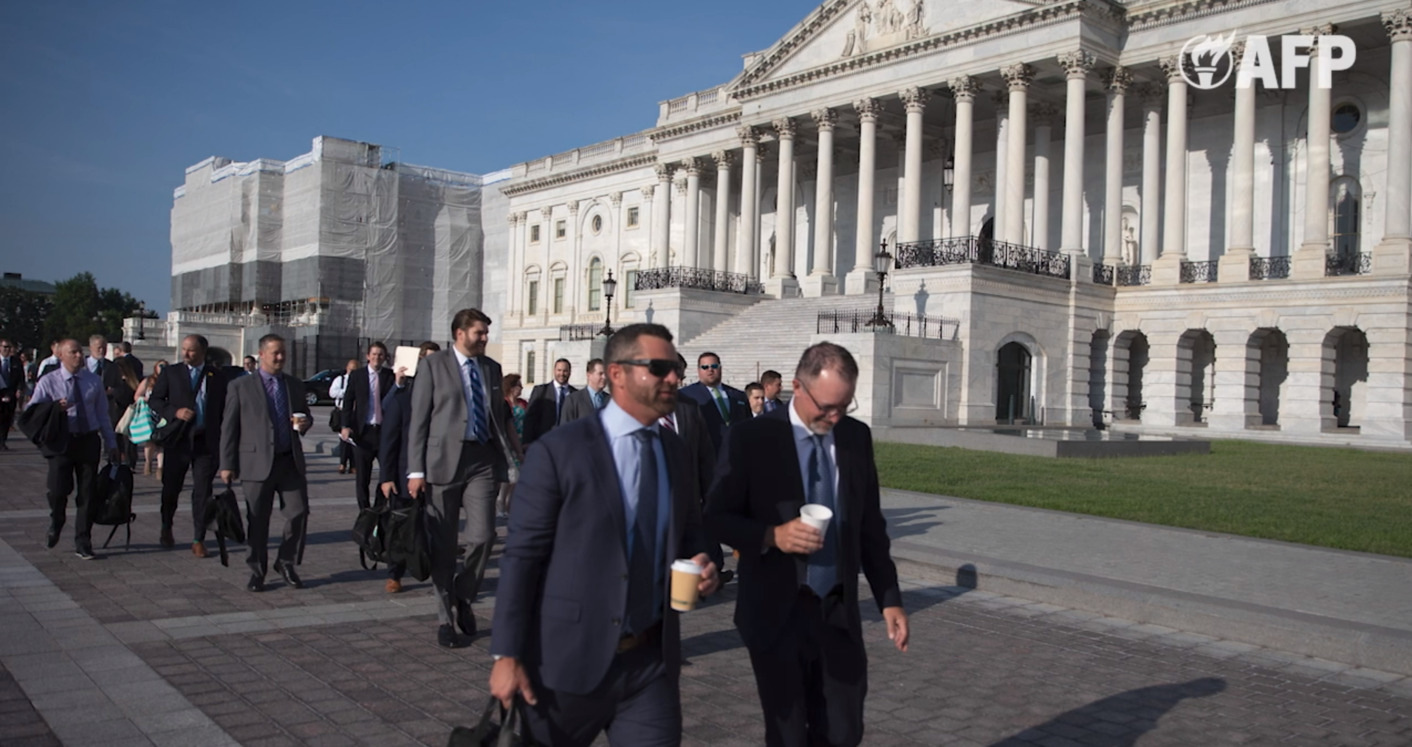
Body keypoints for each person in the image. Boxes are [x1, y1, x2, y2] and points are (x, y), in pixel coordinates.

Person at [489, 323, 720, 746]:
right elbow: (522, 557)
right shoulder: (558, 452)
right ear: (617, 374)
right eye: (660, 368)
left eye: (676, 368)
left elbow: (689, 534)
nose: (674, 377)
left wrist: (703, 562)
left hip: (649, 664)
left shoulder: (674, 452)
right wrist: (506, 653)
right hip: (564, 665)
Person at [705, 342, 909, 747]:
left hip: (837, 609)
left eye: (843, 407)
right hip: (776, 610)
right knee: (789, 734)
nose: (834, 418)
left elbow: (870, 526)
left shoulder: (855, 437)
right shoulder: (753, 437)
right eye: (826, 407)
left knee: (843, 730)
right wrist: (771, 536)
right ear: (797, 387)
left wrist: (889, 597)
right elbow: (715, 516)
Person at [407, 308, 523, 647]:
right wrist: (416, 471)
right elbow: (419, 420)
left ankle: (464, 594)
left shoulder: (491, 369)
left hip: (482, 461)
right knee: (443, 546)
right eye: (479, 333)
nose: (485, 338)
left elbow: (500, 418)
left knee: (484, 536)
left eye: (486, 332)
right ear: (460, 333)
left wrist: (513, 454)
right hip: (442, 463)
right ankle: (446, 619)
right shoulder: (433, 366)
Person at [219, 334, 313, 592]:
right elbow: (229, 427)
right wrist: (226, 464)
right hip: (256, 462)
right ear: (262, 354)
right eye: (275, 353)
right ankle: (257, 570)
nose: (281, 357)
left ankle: (286, 562)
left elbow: (306, 415)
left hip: (288, 461)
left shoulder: (294, 385)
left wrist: (305, 423)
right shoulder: (241, 386)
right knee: (258, 519)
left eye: (283, 352)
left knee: (299, 512)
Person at [25, 339, 120, 559]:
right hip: (61, 441)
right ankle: (57, 520)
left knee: (87, 492)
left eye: (80, 352)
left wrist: (111, 443)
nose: (79, 356)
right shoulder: (49, 381)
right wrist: (53, 408)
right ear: (62, 355)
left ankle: (83, 540)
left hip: (87, 440)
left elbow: (102, 415)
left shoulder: (93, 381)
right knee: (58, 490)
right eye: (73, 352)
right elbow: (33, 411)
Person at [150, 335, 229, 554]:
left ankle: (198, 538)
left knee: (203, 491)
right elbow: (155, 400)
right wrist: (175, 412)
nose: (186, 354)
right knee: (171, 488)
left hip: (206, 441)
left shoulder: (217, 376)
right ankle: (166, 526)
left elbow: (225, 407)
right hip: (179, 439)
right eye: (184, 349)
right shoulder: (171, 373)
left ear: (203, 351)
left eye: (191, 350)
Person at [376, 341, 441, 593]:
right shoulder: (403, 397)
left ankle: (434, 570)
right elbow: (389, 440)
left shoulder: (443, 398)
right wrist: (386, 477)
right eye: (426, 361)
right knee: (401, 527)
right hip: (404, 474)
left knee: (433, 526)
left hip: (436, 473)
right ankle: (395, 573)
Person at [341, 342, 394, 511]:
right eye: (374, 354)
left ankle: (379, 508)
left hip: (384, 431)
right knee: (363, 475)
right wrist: (345, 425)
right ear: (367, 356)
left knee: (386, 472)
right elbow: (348, 402)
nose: (377, 357)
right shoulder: (357, 376)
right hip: (363, 432)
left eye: (381, 354)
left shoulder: (390, 375)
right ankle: (364, 511)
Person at [679, 351, 751, 452]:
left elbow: (748, 424)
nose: (710, 370)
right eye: (705, 367)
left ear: (720, 368)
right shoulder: (687, 394)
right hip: (706, 455)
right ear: (698, 370)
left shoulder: (738, 395)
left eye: (714, 366)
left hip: (736, 454)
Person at [497, 372, 529, 518]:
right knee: (508, 477)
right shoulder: (504, 403)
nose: (521, 388)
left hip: (522, 440)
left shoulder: (523, 404)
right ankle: (500, 504)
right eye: (518, 385)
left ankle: (510, 506)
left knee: (517, 477)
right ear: (511, 387)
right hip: (508, 443)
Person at [522, 358, 574, 445]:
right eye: (559, 370)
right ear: (554, 371)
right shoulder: (541, 391)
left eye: (565, 371)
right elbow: (529, 418)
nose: (562, 374)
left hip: (567, 443)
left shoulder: (575, 394)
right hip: (544, 441)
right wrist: (527, 442)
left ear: (569, 372)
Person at [328, 359, 358, 474]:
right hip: (342, 412)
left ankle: (353, 465)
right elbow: (332, 393)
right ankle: (343, 463)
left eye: (355, 370)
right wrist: (347, 392)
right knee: (344, 439)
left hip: (355, 412)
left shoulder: (360, 380)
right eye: (351, 370)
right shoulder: (340, 380)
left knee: (354, 440)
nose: (353, 372)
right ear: (347, 368)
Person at [558, 358, 609, 423]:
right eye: (600, 374)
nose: (604, 377)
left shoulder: (611, 401)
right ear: (589, 375)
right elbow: (565, 429)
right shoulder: (573, 400)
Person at [0, 339, 22, 450]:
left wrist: (19, 389)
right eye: (4, 347)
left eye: (8, 347)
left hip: (11, 394)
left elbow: (21, 378)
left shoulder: (16, 362)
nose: (6, 349)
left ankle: (2, 441)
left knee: (7, 418)